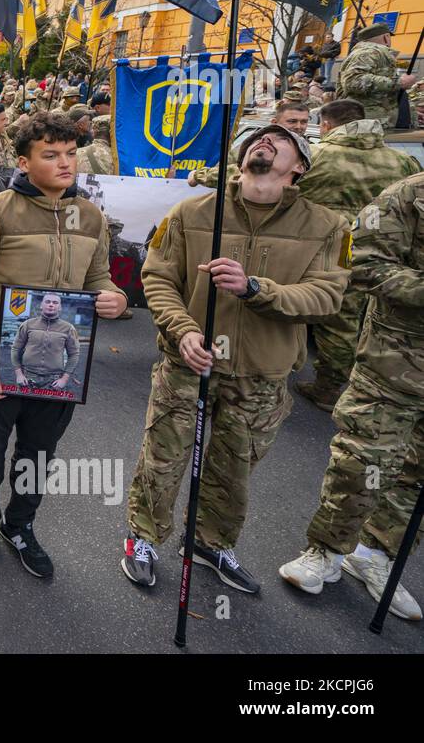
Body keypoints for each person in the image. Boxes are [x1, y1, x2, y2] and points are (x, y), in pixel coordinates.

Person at [122, 124, 349, 593]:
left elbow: (326, 297)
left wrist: (256, 288)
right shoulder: (192, 211)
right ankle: (142, 538)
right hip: (189, 366)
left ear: (299, 167)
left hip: (261, 375)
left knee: (233, 468)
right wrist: (182, 329)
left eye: (280, 140)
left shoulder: (327, 225)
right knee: (161, 458)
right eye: (257, 137)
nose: (264, 140)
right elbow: (158, 277)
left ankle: (209, 543)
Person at [0, 113, 127, 577]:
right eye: (51, 155)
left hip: (61, 370)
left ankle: (19, 525)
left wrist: (115, 296)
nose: (65, 163)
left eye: (70, 153)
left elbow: (99, 278)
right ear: (24, 162)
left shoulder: (91, 217)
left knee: (39, 454)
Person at [278, 171, 424, 621]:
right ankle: (326, 551)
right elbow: (361, 260)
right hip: (395, 364)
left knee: (416, 475)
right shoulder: (410, 194)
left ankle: (377, 554)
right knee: (364, 462)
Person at [292, 100, 421, 411]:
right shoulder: (403, 161)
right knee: (374, 318)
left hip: (333, 249)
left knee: (339, 321)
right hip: (390, 257)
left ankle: (328, 387)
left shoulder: (318, 155)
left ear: (325, 125)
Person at [337, 22, 416, 128]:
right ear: (386, 37)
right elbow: (353, 80)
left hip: (373, 123)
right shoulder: (368, 53)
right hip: (367, 125)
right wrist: (398, 82)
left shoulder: (372, 53)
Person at [10, 292, 80, 395]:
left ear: (60, 307)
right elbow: (16, 349)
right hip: (27, 376)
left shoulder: (68, 328)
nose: (51, 304)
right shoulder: (28, 325)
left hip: (54, 380)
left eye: (55, 302)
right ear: (41, 305)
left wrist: (64, 379)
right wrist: (19, 374)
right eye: (47, 302)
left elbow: (74, 354)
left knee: (49, 409)